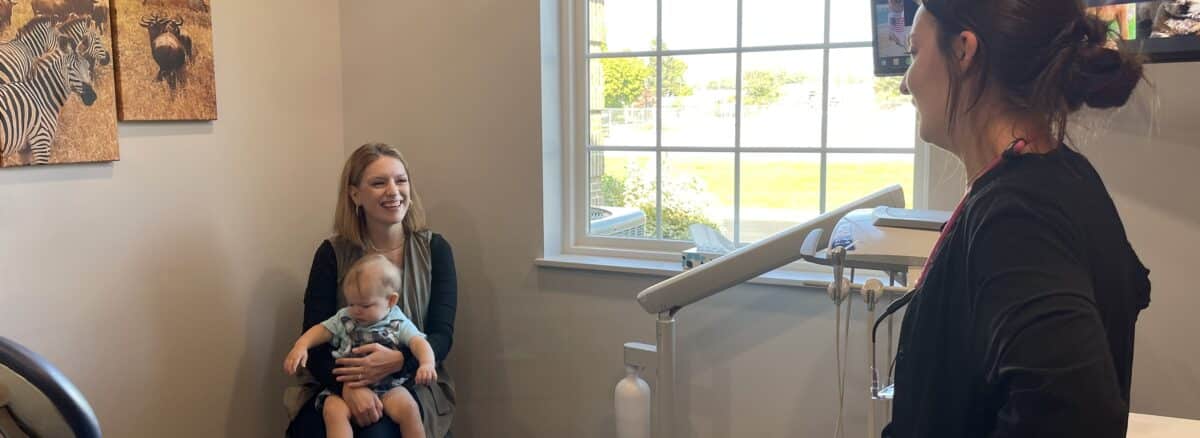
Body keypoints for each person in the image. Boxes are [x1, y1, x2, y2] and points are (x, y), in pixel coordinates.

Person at [882, 0, 1152, 436]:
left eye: (914, 53)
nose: (905, 84)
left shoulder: (1015, 216)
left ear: (964, 52)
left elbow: (1075, 412)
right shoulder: (1066, 176)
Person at [285, 143, 458, 438]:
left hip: (412, 382)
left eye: (400, 180)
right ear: (355, 194)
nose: (393, 191)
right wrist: (348, 388)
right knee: (311, 431)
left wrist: (401, 360)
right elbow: (316, 340)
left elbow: (442, 335)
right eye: (379, 183)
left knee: (376, 433)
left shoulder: (435, 250)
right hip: (338, 382)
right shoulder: (332, 254)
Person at [285, 254, 437, 438]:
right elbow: (321, 330)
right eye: (351, 303)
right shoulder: (345, 317)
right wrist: (301, 345)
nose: (356, 310)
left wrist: (427, 363)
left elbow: (419, 342)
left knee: (409, 409)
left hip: (387, 386)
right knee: (332, 411)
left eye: (365, 305)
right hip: (345, 386)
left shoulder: (397, 321)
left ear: (390, 301)